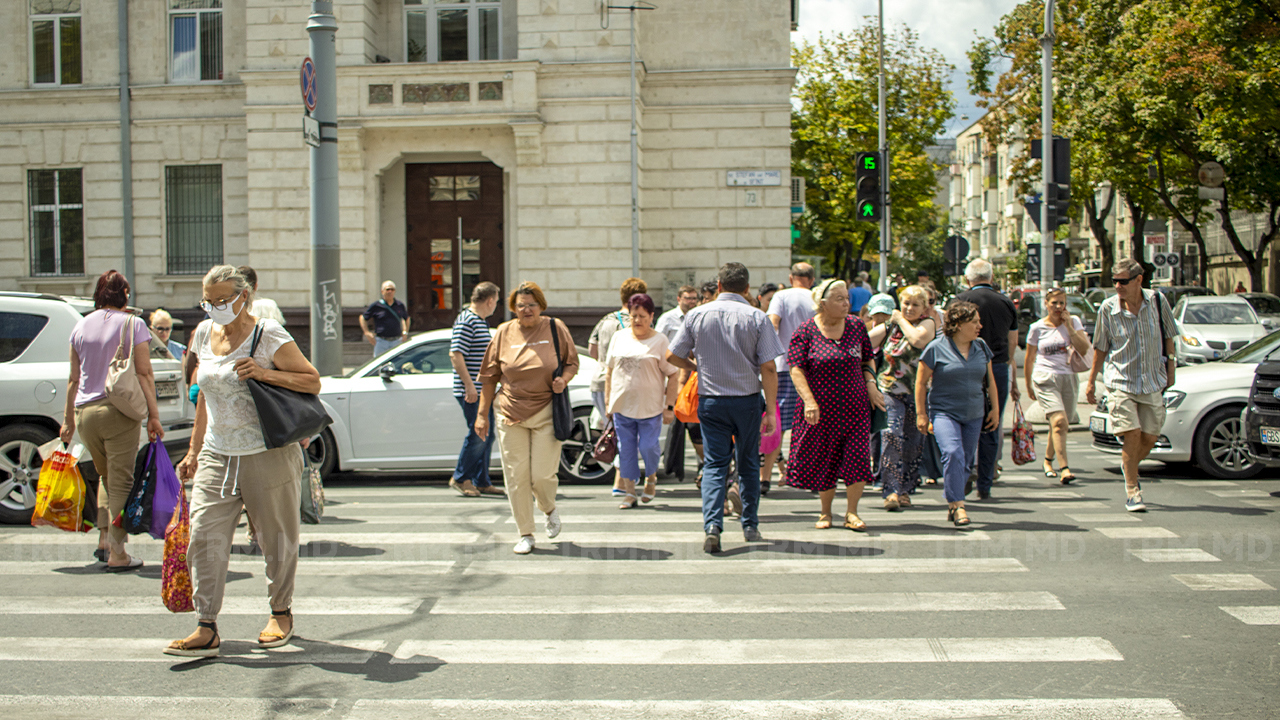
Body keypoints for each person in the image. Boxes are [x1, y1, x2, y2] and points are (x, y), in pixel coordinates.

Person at [165, 265, 321, 657]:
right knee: (203, 537)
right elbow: (204, 396)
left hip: (266, 452)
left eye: (223, 300)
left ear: (244, 297)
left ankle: (280, 612)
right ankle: (206, 624)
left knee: (276, 539)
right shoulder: (203, 333)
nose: (215, 307)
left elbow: (311, 381)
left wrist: (267, 373)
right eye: (209, 301)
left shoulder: (267, 334)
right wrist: (194, 451)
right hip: (219, 452)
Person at [667, 263, 784, 554]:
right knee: (747, 464)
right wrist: (770, 410)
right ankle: (750, 524)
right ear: (746, 288)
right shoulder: (757, 317)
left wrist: (695, 366)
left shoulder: (696, 314)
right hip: (746, 400)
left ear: (718, 285)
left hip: (711, 401)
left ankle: (712, 526)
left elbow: (672, 355)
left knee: (715, 465)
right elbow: (769, 367)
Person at [59, 270, 164, 571]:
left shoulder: (80, 326)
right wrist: (153, 417)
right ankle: (118, 554)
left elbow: (73, 378)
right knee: (121, 481)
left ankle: (105, 542)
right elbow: (144, 373)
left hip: (84, 415)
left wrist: (68, 421)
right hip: (117, 412)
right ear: (125, 295)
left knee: (107, 478)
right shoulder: (134, 324)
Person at [475, 282, 578, 554]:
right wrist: (482, 415)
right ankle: (526, 533)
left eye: (531, 304)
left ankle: (548, 508)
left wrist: (563, 380)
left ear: (540, 306)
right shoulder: (503, 332)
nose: (526, 309)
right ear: (513, 308)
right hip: (510, 412)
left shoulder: (555, 328)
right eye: (520, 305)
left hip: (546, 410)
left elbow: (572, 362)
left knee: (542, 476)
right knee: (516, 477)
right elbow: (489, 377)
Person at [786, 279, 883, 531]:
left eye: (847, 298)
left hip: (855, 408)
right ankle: (825, 512)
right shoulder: (806, 331)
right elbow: (796, 369)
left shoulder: (856, 326)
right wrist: (809, 401)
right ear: (822, 303)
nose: (846, 303)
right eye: (839, 299)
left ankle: (852, 512)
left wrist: (871, 386)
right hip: (820, 410)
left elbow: (867, 360)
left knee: (858, 459)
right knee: (825, 460)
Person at [1086, 258, 1177, 512]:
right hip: (1121, 381)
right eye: (1114, 281)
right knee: (1132, 433)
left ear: (1139, 280)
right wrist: (1092, 381)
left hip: (1151, 380)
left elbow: (1169, 336)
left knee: (1149, 436)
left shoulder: (1158, 302)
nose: (1117, 286)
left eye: (1123, 281)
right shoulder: (1108, 308)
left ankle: (1129, 465)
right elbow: (1100, 347)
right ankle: (1132, 490)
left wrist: (1171, 369)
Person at [916, 301, 1000, 527]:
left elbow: (990, 381)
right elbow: (921, 382)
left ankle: (953, 502)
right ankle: (959, 505)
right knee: (953, 453)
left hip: (974, 412)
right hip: (944, 412)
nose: (979, 326)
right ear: (959, 325)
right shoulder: (936, 348)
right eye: (974, 322)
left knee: (964, 462)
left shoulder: (981, 346)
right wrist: (921, 414)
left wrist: (995, 410)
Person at [605, 293, 680, 508]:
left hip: (650, 407)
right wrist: (609, 401)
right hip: (622, 405)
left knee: (648, 447)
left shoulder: (660, 340)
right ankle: (630, 492)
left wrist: (669, 407)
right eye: (633, 316)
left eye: (642, 316)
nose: (637, 320)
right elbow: (610, 371)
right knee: (626, 450)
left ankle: (651, 478)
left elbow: (673, 374)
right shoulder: (619, 337)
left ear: (651, 316)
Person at [955, 259, 1019, 500]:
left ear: (967, 279)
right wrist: (1006, 362)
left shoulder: (959, 300)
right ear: (991, 278)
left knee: (963, 421)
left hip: (965, 367)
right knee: (992, 423)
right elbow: (1013, 341)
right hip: (998, 368)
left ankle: (964, 473)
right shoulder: (1006, 302)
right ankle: (985, 483)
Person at [868, 285, 936, 511]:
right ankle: (891, 491)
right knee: (891, 436)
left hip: (917, 392)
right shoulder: (890, 326)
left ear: (924, 308)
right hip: (889, 390)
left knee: (914, 443)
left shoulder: (928, 324)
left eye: (915, 305)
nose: (909, 308)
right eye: (905, 304)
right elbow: (864, 342)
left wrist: (899, 319)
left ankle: (906, 489)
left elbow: (917, 340)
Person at [1023, 287, 1092, 484]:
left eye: (1062, 303)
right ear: (1046, 304)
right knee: (1059, 421)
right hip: (1045, 377)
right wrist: (1027, 384)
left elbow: (1084, 347)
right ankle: (1065, 468)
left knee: (1061, 424)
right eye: (1054, 303)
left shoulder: (1074, 321)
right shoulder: (1037, 327)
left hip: (1068, 376)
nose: (1058, 307)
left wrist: (1069, 327)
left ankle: (1047, 461)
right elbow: (1029, 358)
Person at [589, 277, 647, 494]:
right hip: (622, 383)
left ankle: (620, 480)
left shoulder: (605, 320)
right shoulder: (637, 321)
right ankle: (622, 481)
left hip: (598, 382)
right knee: (627, 433)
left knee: (619, 431)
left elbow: (593, 350)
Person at [764, 262, 817, 491]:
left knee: (779, 423)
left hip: (785, 365)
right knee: (813, 421)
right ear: (811, 279)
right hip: (815, 367)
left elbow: (772, 324)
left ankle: (765, 477)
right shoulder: (817, 296)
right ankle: (811, 475)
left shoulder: (781, 296)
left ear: (791, 276)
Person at [449, 281, 503, 498]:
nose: (495, 307)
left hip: (482, 390)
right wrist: (469, 386)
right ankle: (461, 478)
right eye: (496, 302)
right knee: (478, 433)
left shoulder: (480, 321)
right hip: (472, 390)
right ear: (489, 301)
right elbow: (456, 354)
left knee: (486, 435)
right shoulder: (466, 320)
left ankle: (482, 480)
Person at [360, 281, 410, 357]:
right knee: (378, 364)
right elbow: (363, 318)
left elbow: (407, 318)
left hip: (396, 341)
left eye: (392, 289)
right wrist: (367, 332)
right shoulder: (376, 305)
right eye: (387, 289)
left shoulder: (399, 305)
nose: (390, 292)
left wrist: (405, 332)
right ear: (382, 291)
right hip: (381, 341)